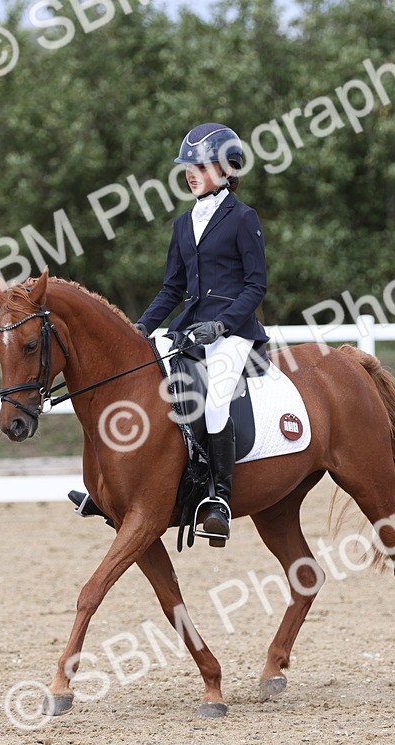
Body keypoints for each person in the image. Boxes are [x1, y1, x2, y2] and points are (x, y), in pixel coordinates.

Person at [133, 122, 269, 545]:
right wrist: (140, 328)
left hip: (233, 331)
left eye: (201, 165)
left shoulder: (243, 218)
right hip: (191, 328)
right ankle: (126, 486)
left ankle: (219, 499)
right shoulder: (183, 223)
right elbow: (173, 288)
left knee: (214, 402)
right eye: (188, 166)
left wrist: (224, 325)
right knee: (145, 383)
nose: (191, 172)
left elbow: (255, 284)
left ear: (227, 169)